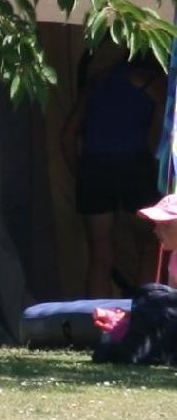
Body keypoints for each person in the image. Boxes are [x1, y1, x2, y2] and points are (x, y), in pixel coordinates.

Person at [64, 59, 168, 296]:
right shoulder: (154, 82)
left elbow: (68, 136)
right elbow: (163, 136)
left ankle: (95, 323)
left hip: (94, 167)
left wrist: (81, 175)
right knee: (149, 245)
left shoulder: (98, 80)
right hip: (134, 166)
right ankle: (143, 316)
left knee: (100, 253)